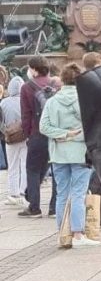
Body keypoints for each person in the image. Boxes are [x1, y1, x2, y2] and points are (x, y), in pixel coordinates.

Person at [39, 63, 98, 248]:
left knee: (62, 194)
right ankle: (78, 234)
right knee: (78, 193)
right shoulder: (87, 101)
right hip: (81, 153)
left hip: (58, 153)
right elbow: (94, 129)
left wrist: (63, 134)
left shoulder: (52, 101)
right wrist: (76, 135)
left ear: (62, 79)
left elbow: (44, 127)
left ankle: (62, 232)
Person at [18, 56, 60, 219]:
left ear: (34, 70)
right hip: (56, 133)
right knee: (57, 170)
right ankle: (55, 207)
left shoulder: (27, 88)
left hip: (37, 133)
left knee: (33, 170)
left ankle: (34, 206)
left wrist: (28, 135)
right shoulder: (56, 84)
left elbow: (26, 115)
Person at [1, 76, 26, 207]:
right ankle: (23, 191)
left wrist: (5, 130)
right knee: (25, 165)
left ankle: (13, 193)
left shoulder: (3, 103)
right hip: (25, 136)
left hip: (10, 137)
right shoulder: (25, 100)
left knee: (13, 166)